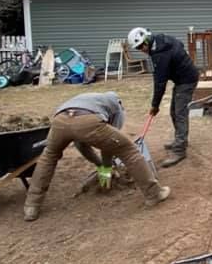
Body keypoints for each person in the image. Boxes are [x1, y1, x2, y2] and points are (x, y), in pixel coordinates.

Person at [23, 91, 171, 221]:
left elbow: (81, 144)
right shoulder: (117, 107)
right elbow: (109, 146)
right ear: (120, 103)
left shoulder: (91, 99)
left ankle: (31, 206)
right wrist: (106, 167)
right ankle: (154, 194)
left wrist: (100, 165)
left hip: (60, 120)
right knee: (129, 150)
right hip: (86, 120)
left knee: (48, 157)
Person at [127, 27, 200, 167]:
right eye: (138, 48)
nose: (141, 49)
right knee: (174, 112)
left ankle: (179, 150)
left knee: (180, 113)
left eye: (142, 45)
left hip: (187, 80)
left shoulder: (159, 55)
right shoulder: (161, 39)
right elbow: (180, 44)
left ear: (147, 40)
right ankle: (180, 140)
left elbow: (160, 83)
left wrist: (155, 105)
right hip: (181, 79)